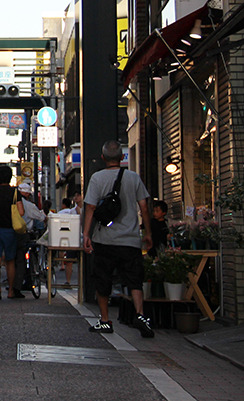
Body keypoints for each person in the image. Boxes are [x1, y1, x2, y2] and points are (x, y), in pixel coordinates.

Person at [83, 140, 154, 338]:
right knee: (134, 280)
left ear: (103, 157)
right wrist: (147, 233)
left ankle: (105, 320)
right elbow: (145, 207)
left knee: (102, 279)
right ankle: (140, 315)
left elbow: (90, 207)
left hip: (104, 240)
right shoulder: (133, 177)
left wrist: (86, 235)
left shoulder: (97, 178)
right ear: (122, 157)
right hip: (130, 240)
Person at [0, 165, 25, 300]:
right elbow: (21, 212)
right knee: (10, 260)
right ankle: (10, 291)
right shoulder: (14, 193)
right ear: (10, 177)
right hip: (9, 229)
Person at [15, 182, 46, 290]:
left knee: (15, 258)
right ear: (28, 194)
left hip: (13, 233)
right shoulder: (29, 205)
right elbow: (41, 217)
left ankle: (14, 283)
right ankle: (29, 279)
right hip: (26, 233)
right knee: (25, 255)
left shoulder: (13, 203)